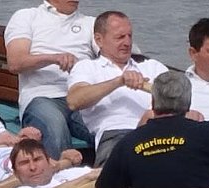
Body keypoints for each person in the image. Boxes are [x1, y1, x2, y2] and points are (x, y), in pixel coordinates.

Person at [4, 0, 100, 159]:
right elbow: (15, 62)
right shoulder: (27, 17)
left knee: (111, 125)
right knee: (55, 126)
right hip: (42, 96)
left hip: (82, 96)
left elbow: (114, 56)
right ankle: (59, 175)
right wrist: (54, 58)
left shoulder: (91, 24)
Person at [67, 11, 168, 166]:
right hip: (116, 132)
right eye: (120, 37)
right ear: (99, 40)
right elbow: (74, 101)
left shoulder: (153, 67)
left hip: (158, 131)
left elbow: (178, 97)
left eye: (129, 36)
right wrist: (118, 81)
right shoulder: (87, 67)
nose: (127, 42)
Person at [9, 138, 92, 188]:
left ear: (49, 161)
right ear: (15, 173)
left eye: (37, 160)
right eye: (24, 163)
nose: (32, 167)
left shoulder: (70, 173)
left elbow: (97, 174)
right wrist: (87, 178)